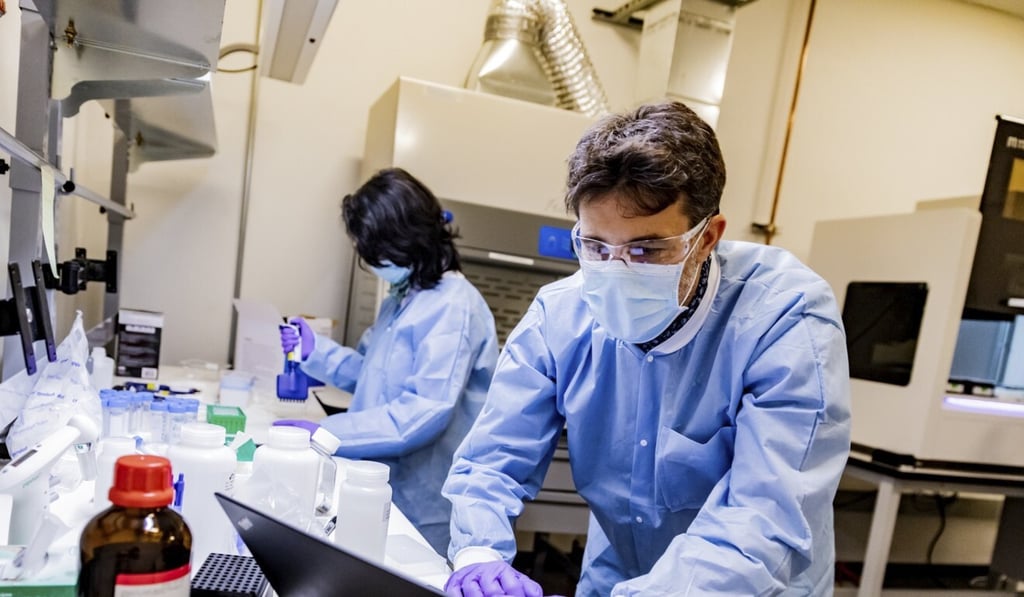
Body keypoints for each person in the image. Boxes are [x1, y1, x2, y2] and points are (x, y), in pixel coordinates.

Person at [442, 101, 852, 596]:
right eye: (596, 247)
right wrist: (479, 553)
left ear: (706, 238)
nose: (617, 271)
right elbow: (492, 459)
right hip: (618, 574)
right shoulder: (560, 315)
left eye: (647, 250)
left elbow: (763, 520)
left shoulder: (784, 318)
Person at [280, 167, 499, 555]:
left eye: (379, 251)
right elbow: (370, 375)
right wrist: (316, 351)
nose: (374, 261)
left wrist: (326, 433)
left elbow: (423, 412)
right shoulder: (403, 298)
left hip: (424, 498)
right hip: (381, 483)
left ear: (409, 237)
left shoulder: (452, 306)